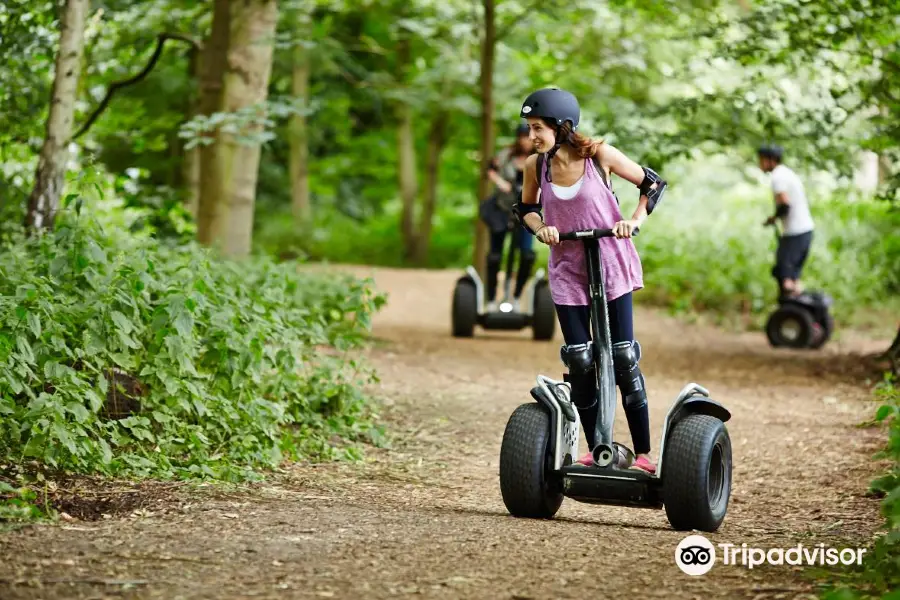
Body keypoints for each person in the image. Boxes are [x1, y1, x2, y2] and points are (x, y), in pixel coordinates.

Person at [514, 87, 667, 474]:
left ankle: (644, 454)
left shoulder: (599, 155)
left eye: (537, 128)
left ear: (562, 127)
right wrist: (541, 228)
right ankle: (597, 448)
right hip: (568, 268)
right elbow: (527, 209)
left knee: (622, 355)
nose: (532, 136)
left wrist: (633, 221)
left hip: (611, 262)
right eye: (530, 128)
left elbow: (652, 184)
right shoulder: (537, 165)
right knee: (580, 359)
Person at [483, 123, 537, 311]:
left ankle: (515, 297)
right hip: (501, 210)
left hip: (526, 214)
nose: (525, 141)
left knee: (527, 255)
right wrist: (501, 182)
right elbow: (490, 169)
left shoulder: (540, 158)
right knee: (494, 257)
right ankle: (490, 299)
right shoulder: (506, 155)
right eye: (522, 137)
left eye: (528, 137)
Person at [757, 144, 815, 298]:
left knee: (784, 275)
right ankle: (799, 312)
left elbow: (784, 204)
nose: (759, 164)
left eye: (761, 160)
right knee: (792, 275)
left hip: (794, 233)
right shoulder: (786, 173)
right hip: (805, 231)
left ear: (770, 160)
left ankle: (791, 315)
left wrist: (774, 218)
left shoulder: (778, 177)